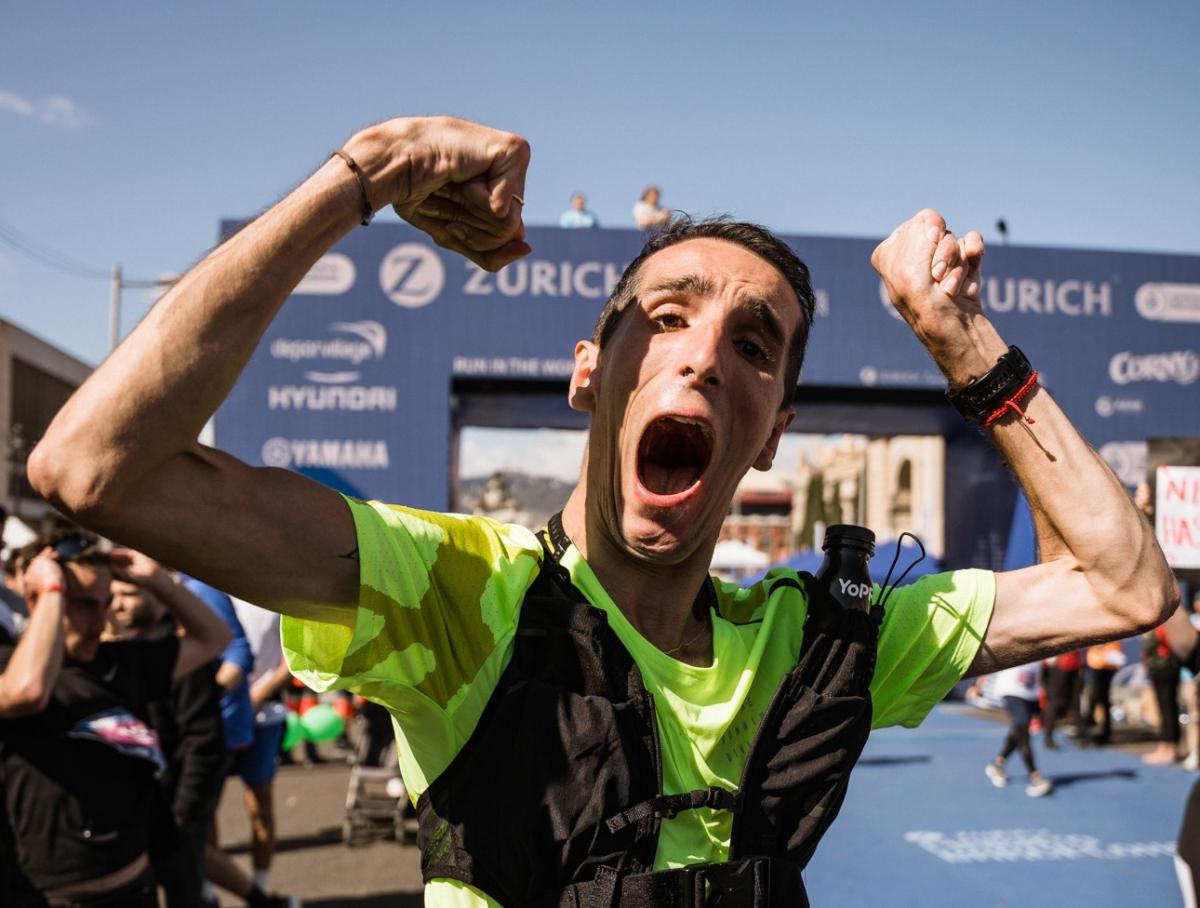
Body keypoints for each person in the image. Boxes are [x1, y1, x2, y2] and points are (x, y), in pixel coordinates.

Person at [27, 116, 1177, 907]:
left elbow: (1126, 585)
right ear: (591, 375)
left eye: (755, 344)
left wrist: (964, 344)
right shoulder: (460, 592)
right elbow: (93, 465)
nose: (705, 360)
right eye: (666, 317)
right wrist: (365, 172)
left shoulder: (823, 642)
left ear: (773, 429)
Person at [0, 533, 230, 906]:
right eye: (83, 605)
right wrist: (52, 587)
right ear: (37, 599)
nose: (99, 620)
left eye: (105, 603)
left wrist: (157, 581)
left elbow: (214, 638)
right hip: (49, 897)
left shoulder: (119, 663)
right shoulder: (10, 667)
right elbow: (27, 692)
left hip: (135, 888)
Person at [107, 565, 227, 908]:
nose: (117, 605)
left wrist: (183, 812)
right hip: (142, 814)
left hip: (176, 810)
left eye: (128, 595)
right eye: (111, 597)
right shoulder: (122, 651)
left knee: (182, 890)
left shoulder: (179, 657)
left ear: (159, 601)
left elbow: (203, 741)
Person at [973, 663, 1054, 797]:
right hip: (1012, 690)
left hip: (1031, 691)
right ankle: (1035, 776)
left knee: (1019, 731)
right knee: (1022, 729)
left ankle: (998, 763)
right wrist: (978, 684)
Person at [1082, 640, 1125, 745]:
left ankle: (1105, 731)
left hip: (1110, 663)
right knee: (1095, 697)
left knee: (1104, 698)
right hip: (1097, 663)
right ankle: (1088, 728)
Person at [1041, 649, 1084, 749]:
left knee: (1076, 702)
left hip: (1074, 666)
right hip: (1059, 666)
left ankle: (1081, 734)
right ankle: (1048, 737)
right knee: (1055, 703)